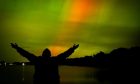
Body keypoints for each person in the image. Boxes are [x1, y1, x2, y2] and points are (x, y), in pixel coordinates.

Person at [10, 43, 79, 84]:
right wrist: (72, 49)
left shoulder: (38, 60)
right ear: (50, 55)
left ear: (43, 54)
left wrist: (17, 48)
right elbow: (65, 55)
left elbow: (26, 54)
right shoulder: (54, 60)